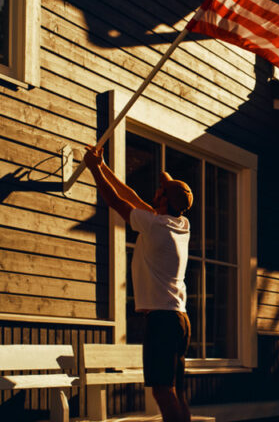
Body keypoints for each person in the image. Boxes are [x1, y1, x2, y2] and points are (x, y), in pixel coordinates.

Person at [82, 145, 192, 422]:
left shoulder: (154, 225)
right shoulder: (180, 225)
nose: (154, 192)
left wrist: (94, 168)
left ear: (164, 200)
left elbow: (115, 201)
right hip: (179, 319)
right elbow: (131, 196)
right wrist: (103, 164)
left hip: (163, 321)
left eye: (160, 191)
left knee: (163, 392)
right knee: (175, 391)